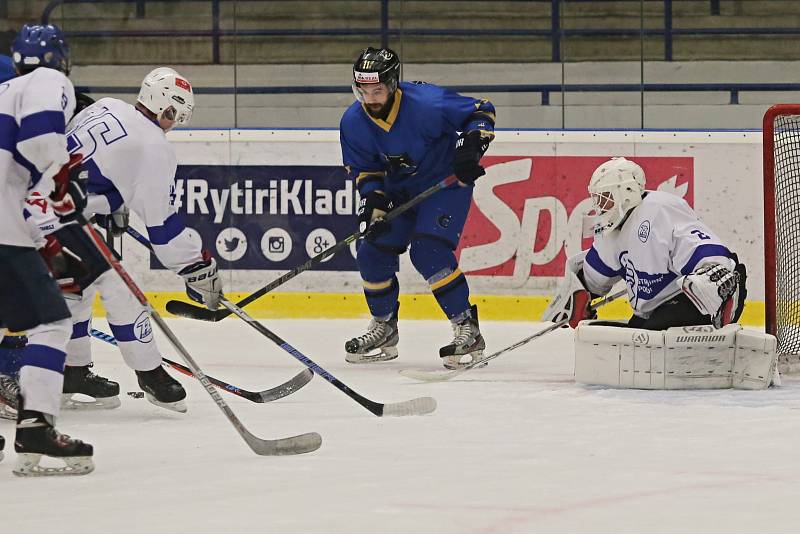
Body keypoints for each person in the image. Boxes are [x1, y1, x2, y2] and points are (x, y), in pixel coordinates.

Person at [19, 66, 223, 414]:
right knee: (123, 287)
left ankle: (74, 372)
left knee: (77, 290)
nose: (174, 123)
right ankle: (151, 374)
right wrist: (197, 266)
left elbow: (84, 166)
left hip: (29, 207)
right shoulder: (154, 146)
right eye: (176, 115)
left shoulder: (108, 106)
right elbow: (165, 232)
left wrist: (107, 201)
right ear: (168, 109)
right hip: (48, 221)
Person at [339, 47, 496, 369]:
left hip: (444, 185)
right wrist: (374, 204)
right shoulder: (353, 122)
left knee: (427, 251)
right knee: (371, 250)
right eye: (363, 91)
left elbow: (481, 111)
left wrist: (471, 147)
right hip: (400, 192)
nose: (370, 98)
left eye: (377, 90)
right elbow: (366, 171)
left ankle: (467, 327)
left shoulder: (428, 103)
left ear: (393, 83)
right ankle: (384, 326)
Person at [0, 23, 94, 476]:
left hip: (12, 224)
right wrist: (62, 183)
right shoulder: (49, 81)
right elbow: (41, 140)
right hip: (3, 229)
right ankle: (36, 427)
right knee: (54, 321)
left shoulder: (3, 89)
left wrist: (45, 233)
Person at [542, 157, 747, 331]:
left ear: (627, 192)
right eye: (597, 199)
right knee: (632, 336)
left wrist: (713, 279)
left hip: (696, 298)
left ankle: (723, 304)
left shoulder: (659, 209)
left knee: (650, 335)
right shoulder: (608, 232)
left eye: (606, 198)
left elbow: (702, 248)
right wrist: (578, 295)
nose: (600, 207)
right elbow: (593, 278)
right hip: (655, 308)